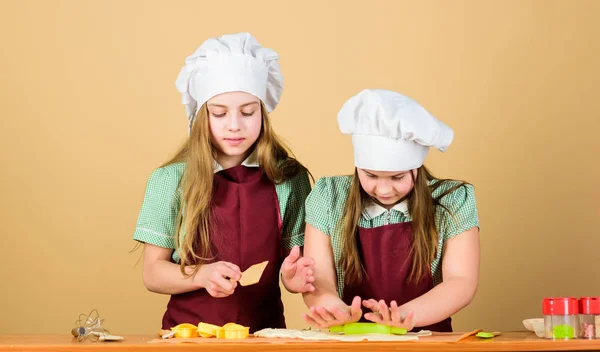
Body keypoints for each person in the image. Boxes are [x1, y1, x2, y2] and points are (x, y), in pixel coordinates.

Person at [132, 32, 315, 333]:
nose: (234, 125)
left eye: (247, 112)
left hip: (265, 336)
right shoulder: (170, 180)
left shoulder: (288, 179)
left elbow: (293, 264)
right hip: (187, 336)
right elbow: (153, 273)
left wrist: (293, 279)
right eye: (219, 113)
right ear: (202, 116)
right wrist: (202, 275)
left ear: (263, 113)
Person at [299, 89, 480, 332]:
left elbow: (461, 282)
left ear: (416, 167)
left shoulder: (453, 199)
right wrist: (333, 309)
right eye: (370, 175)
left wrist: (402, 316)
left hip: (427, 342)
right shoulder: (328, 196)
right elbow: (318, 278)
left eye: (397, 177)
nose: (383, 189)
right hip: (350, 342)